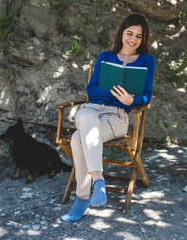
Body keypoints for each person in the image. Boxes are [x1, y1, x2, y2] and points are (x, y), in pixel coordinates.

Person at [61, 13, 156, 222]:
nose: (133, 39)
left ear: (143, 39)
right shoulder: (105, 57)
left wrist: (132, 101)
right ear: (122, 33)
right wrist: (115, 95)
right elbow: (92, 90)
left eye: (139, 36)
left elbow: (146, 95)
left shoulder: (147, 61)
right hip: (92, 109)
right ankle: (99, 180)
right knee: (86, 115)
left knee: (78, 139)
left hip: (117, 117)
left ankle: (82, 197)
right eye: (129, 33)